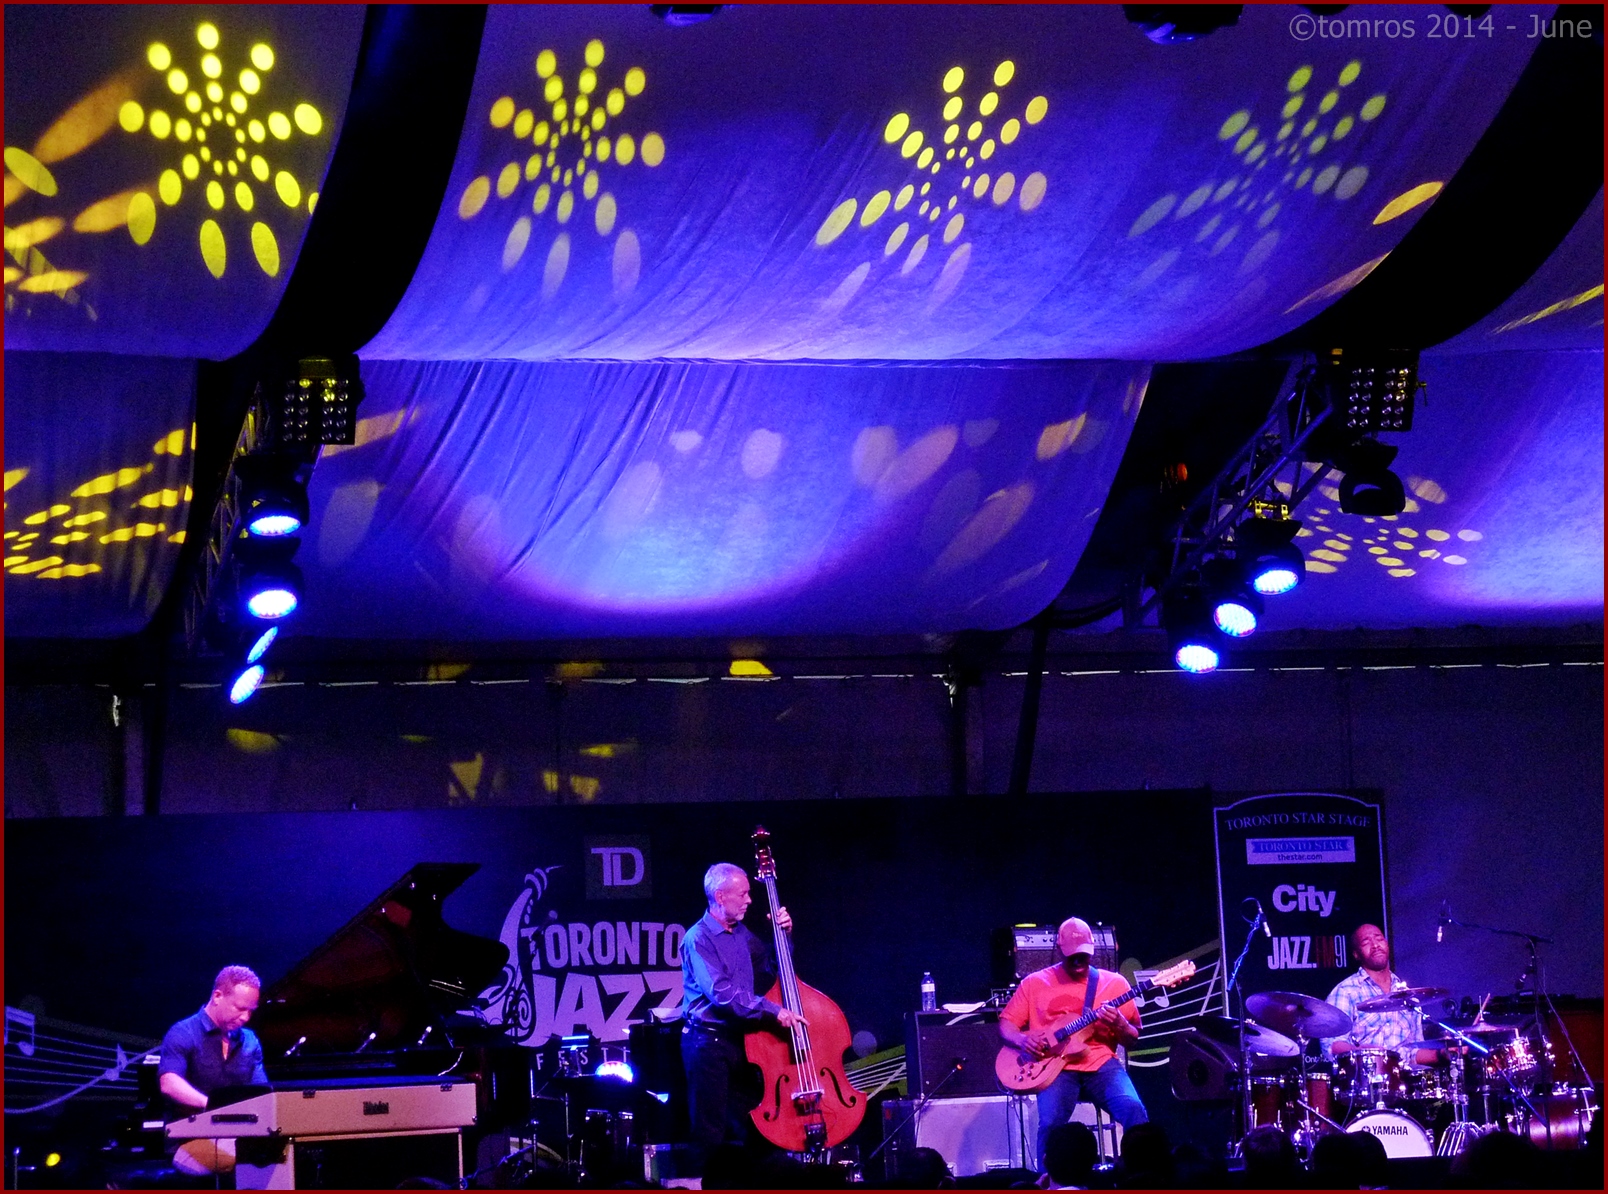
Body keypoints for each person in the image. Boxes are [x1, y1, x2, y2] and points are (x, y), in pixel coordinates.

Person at [680, 862, 806, 1175]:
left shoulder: (742, 934)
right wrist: (775, 1011)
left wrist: (783, 935)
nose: (750, 899)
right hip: (707, 1043)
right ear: (720, 897)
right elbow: (721, 994)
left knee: (757, 1126)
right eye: (744, 893)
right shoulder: (698, 939)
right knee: (709, 1133)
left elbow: (774, 968)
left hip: (741, 1041)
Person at [999, 917, 1147, 1173]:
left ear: (1093, 948)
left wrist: (1121, 1024)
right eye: (1072, 956)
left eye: (1084, 955)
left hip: (1101, 1063)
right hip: (1055, 1069)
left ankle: (1141, 1177)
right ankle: (1046, 1181)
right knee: (1050, 1122)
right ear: (1059, 949)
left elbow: (1132, 1039)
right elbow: (1006, 1025)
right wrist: (1024, 1039)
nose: (1078, 961)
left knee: (1135, 1110)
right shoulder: (1035, 983)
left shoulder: (1114, 984)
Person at [158, 965, 269, 1176]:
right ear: (217, 996)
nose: (246, 1017)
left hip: (239, 1134)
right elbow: (169, 1084)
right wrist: (213, 1107)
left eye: (251, 1011)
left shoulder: (250, 1041)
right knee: (247, 1159)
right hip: (189, 1139)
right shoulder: (183, 1032)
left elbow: (261, 1093)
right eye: (240, 1008)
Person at [1321, 924, 1437, 1064]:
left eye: (1379, 939)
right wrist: (1365, 1053)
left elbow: (1414, 1051)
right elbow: (1331, 1045)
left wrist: (1443, 1055)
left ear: (1387, 944)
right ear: (1356, 954)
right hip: (1365, 1079)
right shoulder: (1345, 992)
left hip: (1404, 1080)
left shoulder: (1407, 995)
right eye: (1366, 942)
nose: (1375, 945)